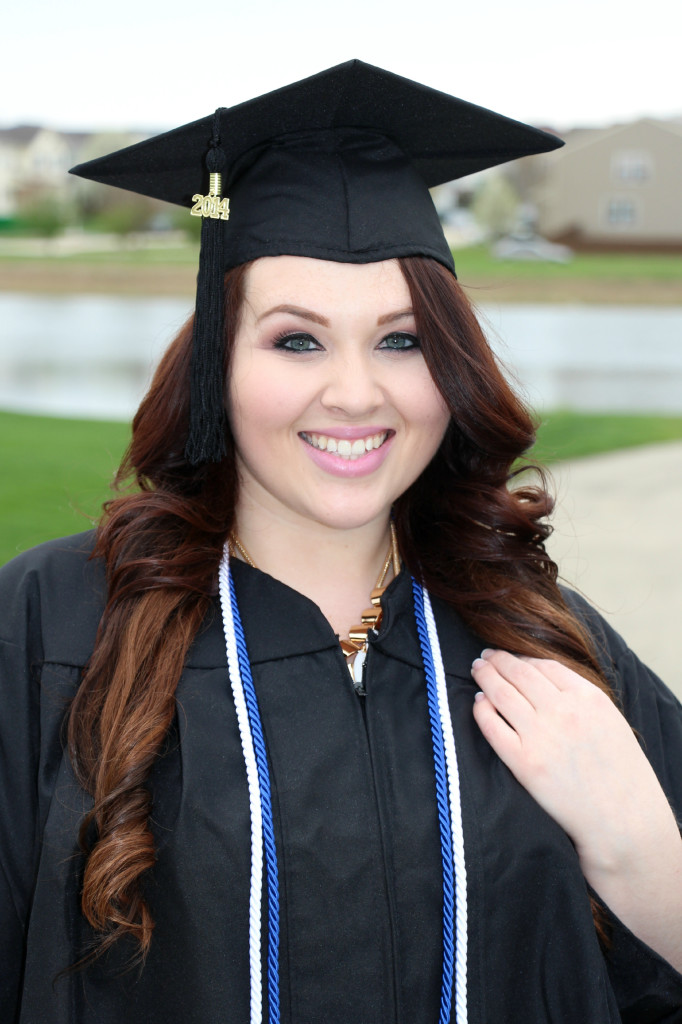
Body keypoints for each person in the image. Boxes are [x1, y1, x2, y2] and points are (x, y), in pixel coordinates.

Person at [1, 60, 681, 1024]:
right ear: (214, 364)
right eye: (297, 340)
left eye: (402, 341)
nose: (357, 394)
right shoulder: (56, 628)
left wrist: (645, 857)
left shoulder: (541, 643)